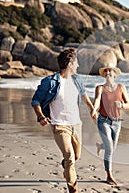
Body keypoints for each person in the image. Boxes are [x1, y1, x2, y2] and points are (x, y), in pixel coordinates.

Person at [31, 48, 96, 193]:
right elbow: (35, 101)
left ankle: (66, 167)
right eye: (76, 63)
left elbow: (83, 95)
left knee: (76, 156)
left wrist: (92, 108)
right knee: (70, 157)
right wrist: (41, 116)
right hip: (60, 126)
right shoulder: (50, 82)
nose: (78, 66)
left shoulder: (77, 79)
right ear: (70, 64)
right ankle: (73, 190)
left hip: (76, 125)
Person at [91, 63, 129, 185]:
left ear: (115, 75)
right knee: (110, 148)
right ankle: (109, 175)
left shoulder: (121, 87)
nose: (108, 73)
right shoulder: (100, 88)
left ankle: (100, 146)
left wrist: (122, 105)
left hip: (117, 122)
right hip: (103, 121)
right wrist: (94, 109)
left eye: (110, 71)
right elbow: (97, 101)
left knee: (112, 147)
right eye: (106, 71)